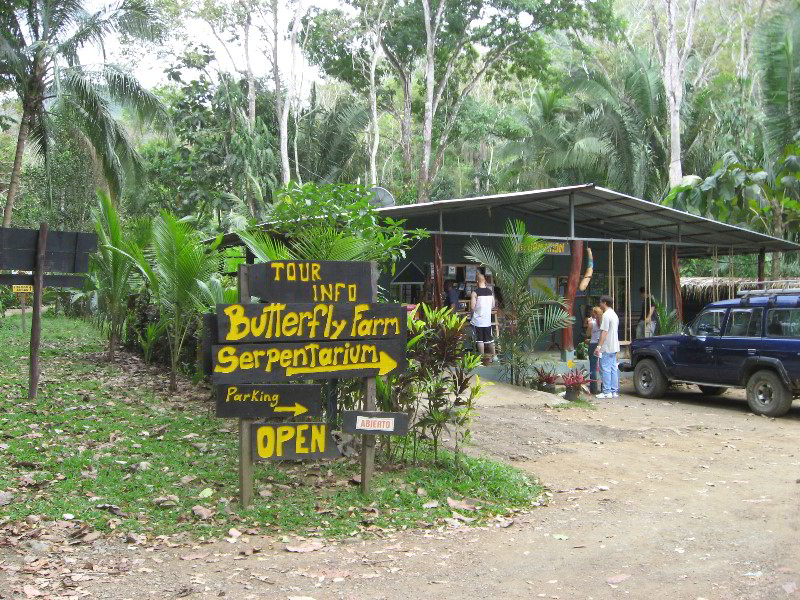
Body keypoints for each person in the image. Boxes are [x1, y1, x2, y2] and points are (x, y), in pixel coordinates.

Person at [594, 295, 620, 398]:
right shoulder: (614, 314)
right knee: (613, 369)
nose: (599, 304)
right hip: (614, 346)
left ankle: (606, 392)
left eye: (600, 302)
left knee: (605, 369)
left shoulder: (606, 315)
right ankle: (613, 391)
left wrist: (599, 346)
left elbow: (604, 332)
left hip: (607, 346)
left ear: (604, 303)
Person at [470, 272, 495, 363]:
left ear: (477, 281)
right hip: (487, 320)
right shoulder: (490, 292)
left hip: (478, 321)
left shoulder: (475, 292)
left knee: (480, 340)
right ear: (484, 281)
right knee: (490, 339)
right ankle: (495, 357)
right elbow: (493, 305)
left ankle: (481, 358)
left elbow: (473, 307)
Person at [587, 306, 603, 394]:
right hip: (601, 344)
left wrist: (589, 322)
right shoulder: (603, 322)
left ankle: (593, 388)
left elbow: (588, 333)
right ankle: (604, 387)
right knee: (603, 366)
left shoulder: (592, 322)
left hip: (593, 344)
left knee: (593, 366)